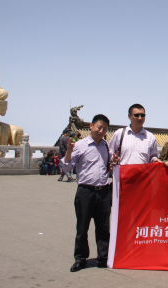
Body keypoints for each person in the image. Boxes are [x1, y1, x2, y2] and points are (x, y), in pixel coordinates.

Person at [61, 114, 112, 272]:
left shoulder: (106, 146)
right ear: (91, 126)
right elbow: (67, 168)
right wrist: (69, 152)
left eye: (104, 129)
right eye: (99, 127)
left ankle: (103, 257)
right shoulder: (80, 145)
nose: (101, 131)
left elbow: (108, 166)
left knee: (103, 227)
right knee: (82, 227)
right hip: (85, 191)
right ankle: (80, 259)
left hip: (103, 191)